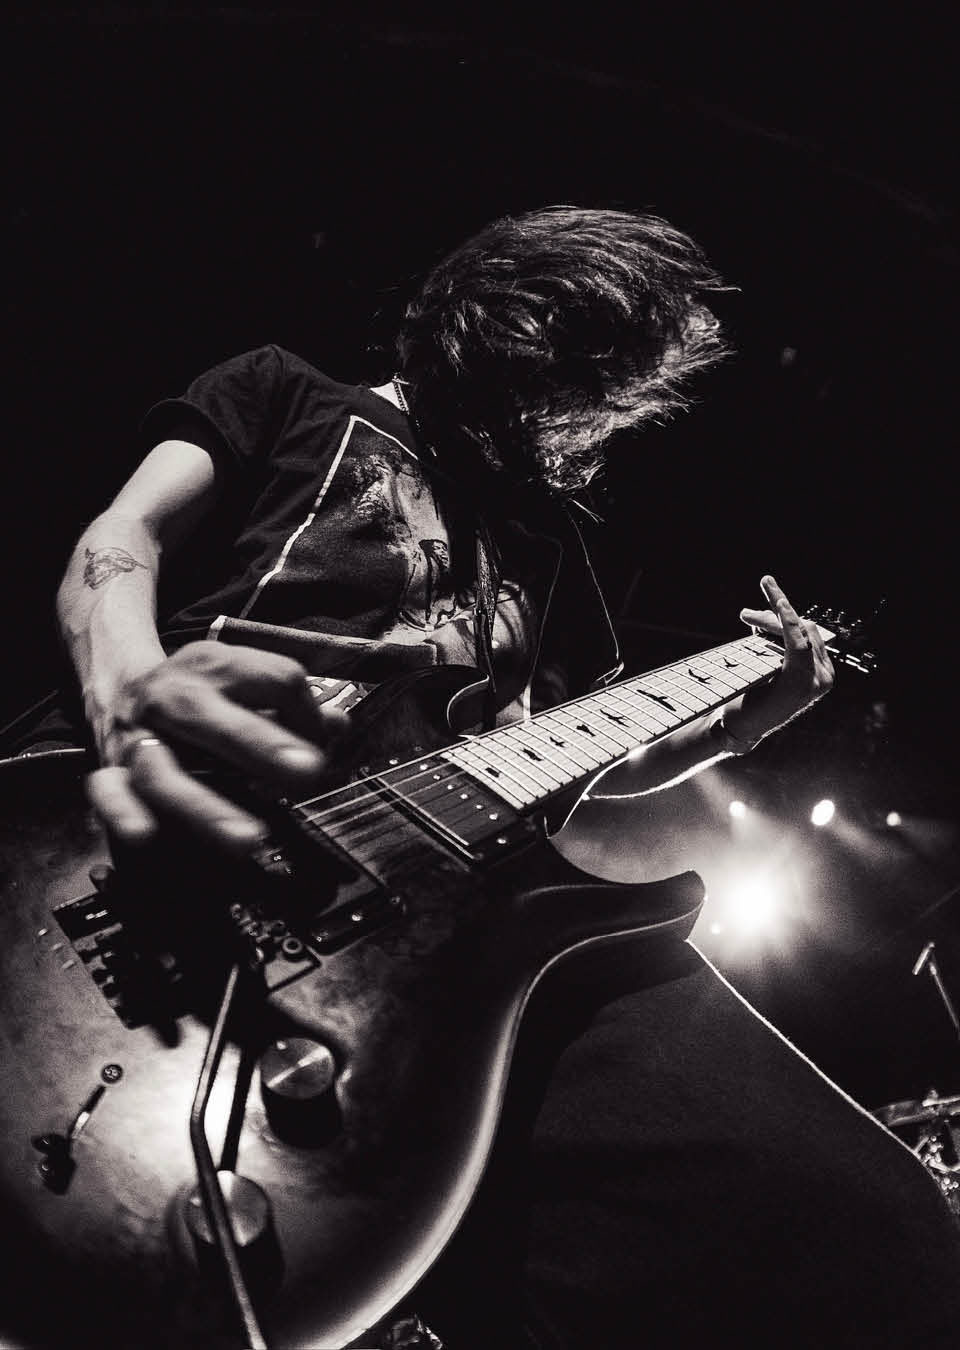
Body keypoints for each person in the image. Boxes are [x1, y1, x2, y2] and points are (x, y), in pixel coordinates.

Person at [56, 206, 960, 1346]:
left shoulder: (552, 554)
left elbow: (563, 762)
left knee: (865, 1232)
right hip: (178, 828)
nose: (577, 408)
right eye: (569, 366)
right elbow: (120, 542)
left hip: (448, 930)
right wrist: (129, 695)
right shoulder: (286, 392)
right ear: (488, 318)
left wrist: (738, 724)